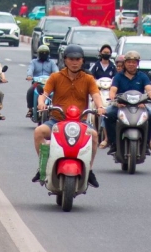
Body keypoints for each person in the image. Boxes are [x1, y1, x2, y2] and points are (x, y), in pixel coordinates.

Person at [33, 44, 104, 188]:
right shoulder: (56, 77)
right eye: (71, 59)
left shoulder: (88, 79)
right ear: (65, 60)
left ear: (82, 61)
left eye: (78, 59)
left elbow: (96, 95)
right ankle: (43, 166)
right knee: (39, 132)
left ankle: (89, 169)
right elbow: (44, 94)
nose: (74, 62)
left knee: (95, 136)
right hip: (57, 121)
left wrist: (101, 107)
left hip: (81, 122)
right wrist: (41, 103)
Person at [101, 51, 151, 154]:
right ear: (125, 63)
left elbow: (148, 89)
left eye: (134, 62)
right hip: (120, 105)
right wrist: (113, 99)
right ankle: (111, 141)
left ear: (137, 64)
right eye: (129, 62)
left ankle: (148, 142)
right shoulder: (119, 77)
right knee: (106, 114)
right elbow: (113, 90)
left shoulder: (142, 76)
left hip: (139, 106)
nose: (131, 64)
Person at [26, 44, 60, 117]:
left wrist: (57, 76)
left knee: (57, 92)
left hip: (49, 83)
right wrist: (29, 76)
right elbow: (30, 69)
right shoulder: (34, 62)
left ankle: (56, 109)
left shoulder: (52, 62)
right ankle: (30, 109)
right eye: (42, 53)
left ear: (48, 54)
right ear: (38, 53)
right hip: (37, 83)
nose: (44, 54)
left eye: (45, 53)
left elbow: (56, 71)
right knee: (30, 91)